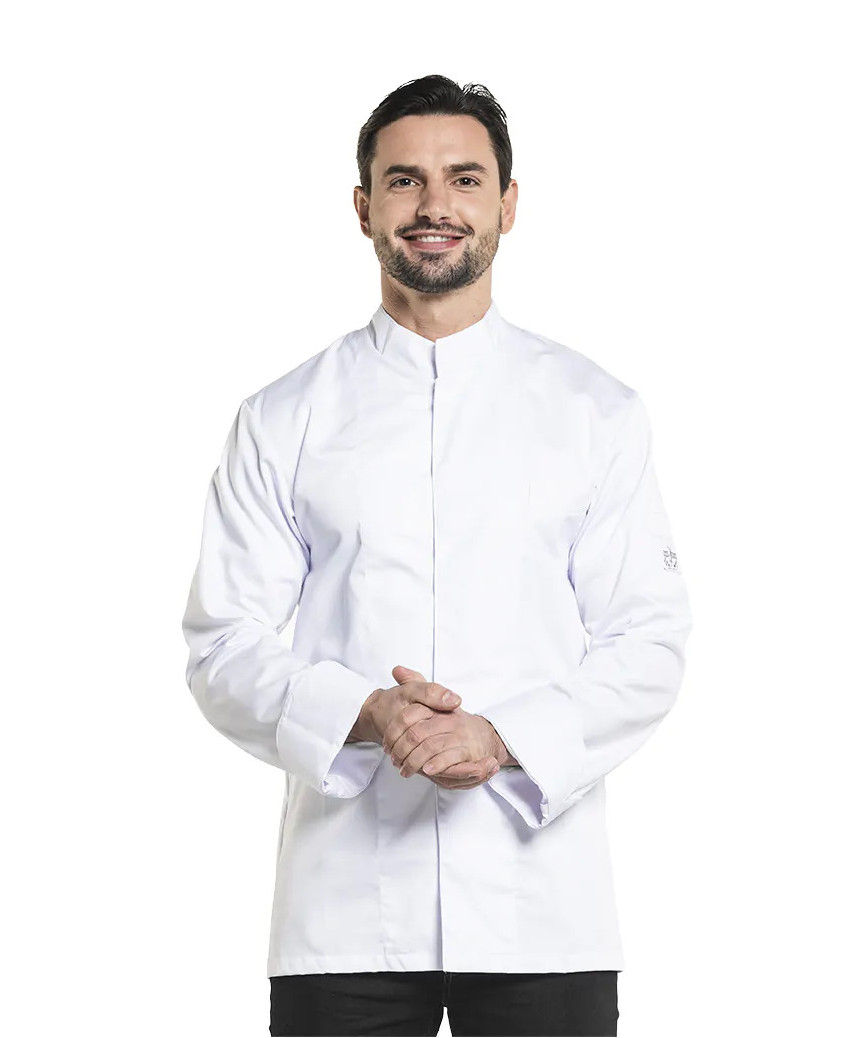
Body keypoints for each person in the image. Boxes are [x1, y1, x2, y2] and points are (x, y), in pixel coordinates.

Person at [181, 74, 692, 1037]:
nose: (434, 206)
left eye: (464, 178)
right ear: (363, 207)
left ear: (507, 204)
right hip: (345, 914)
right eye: (404, 180)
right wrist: (368, 713)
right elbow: (223, 645)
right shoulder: (283, 417)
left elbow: (649, 640)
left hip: (543, 906)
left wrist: (501, 737)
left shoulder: (596, 412)